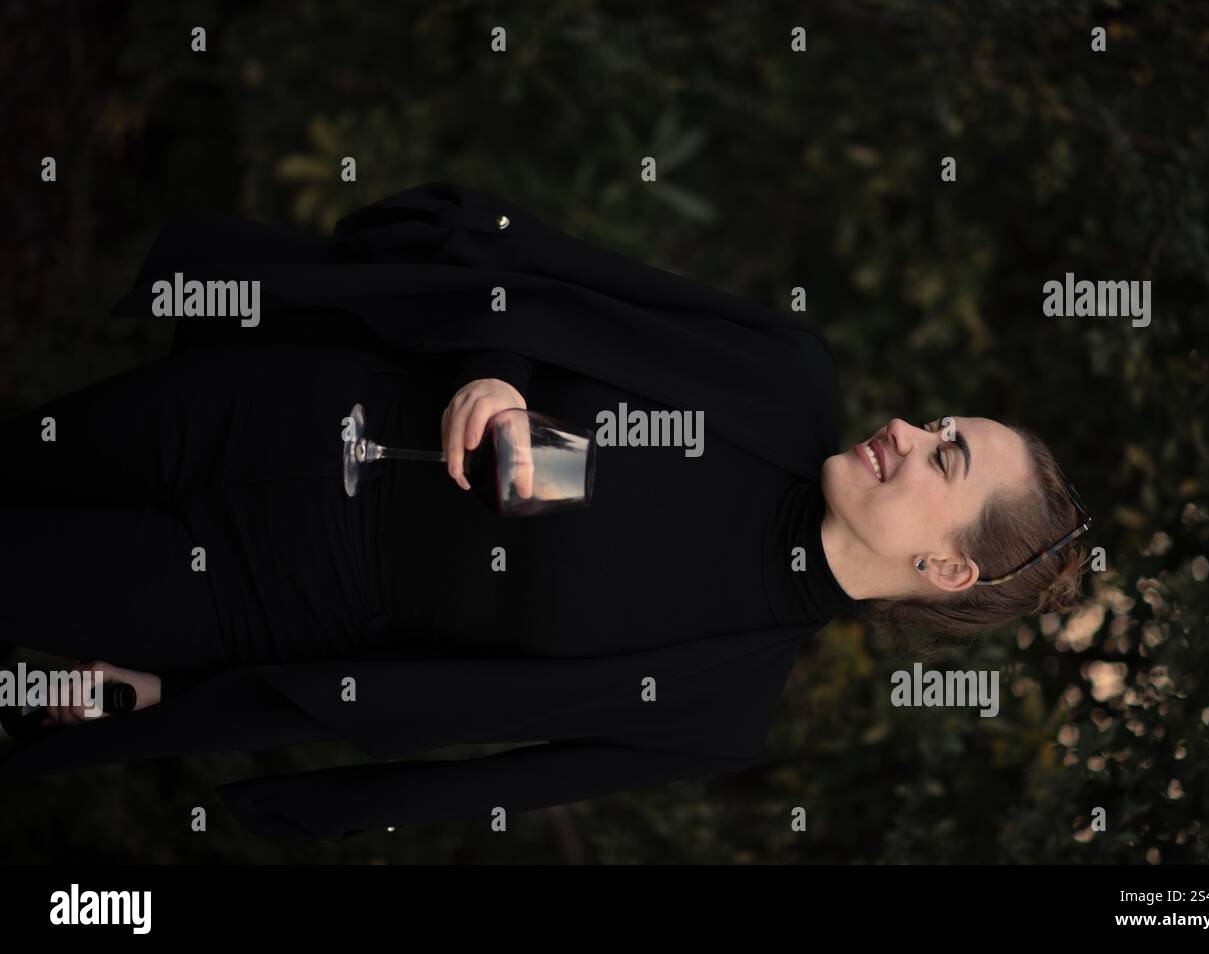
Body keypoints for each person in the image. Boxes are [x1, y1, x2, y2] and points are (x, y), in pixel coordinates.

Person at [0, 181, 1089, 839]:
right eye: (939, 422)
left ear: (951, 570)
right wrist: (497, 369)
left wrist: (173, 697)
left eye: (944, 457)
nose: (905, 428)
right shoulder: (780, 376)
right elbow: (543, 274)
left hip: (256, 602)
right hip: (277, 410)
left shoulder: (716, 711)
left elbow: (456, 754)